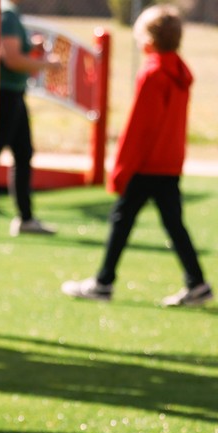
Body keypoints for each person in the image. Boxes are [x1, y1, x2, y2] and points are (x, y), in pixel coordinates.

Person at [62, 5, 212, 307]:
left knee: (122, 219)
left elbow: (139, 129)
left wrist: (121, 169)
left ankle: (103, 282)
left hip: (147, 165)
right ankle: (196, 283)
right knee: (172, 223)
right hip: (169, 163)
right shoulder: (179, 71)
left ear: (150, 40)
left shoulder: (153, 73)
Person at [0, 0, 59, 237]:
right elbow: (11, 59)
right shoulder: (7, 14)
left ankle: (26, 217)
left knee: (24, 153)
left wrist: (31, 45)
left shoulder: (9, 13)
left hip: (14, 93)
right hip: (5, 95)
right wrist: (48, 65)